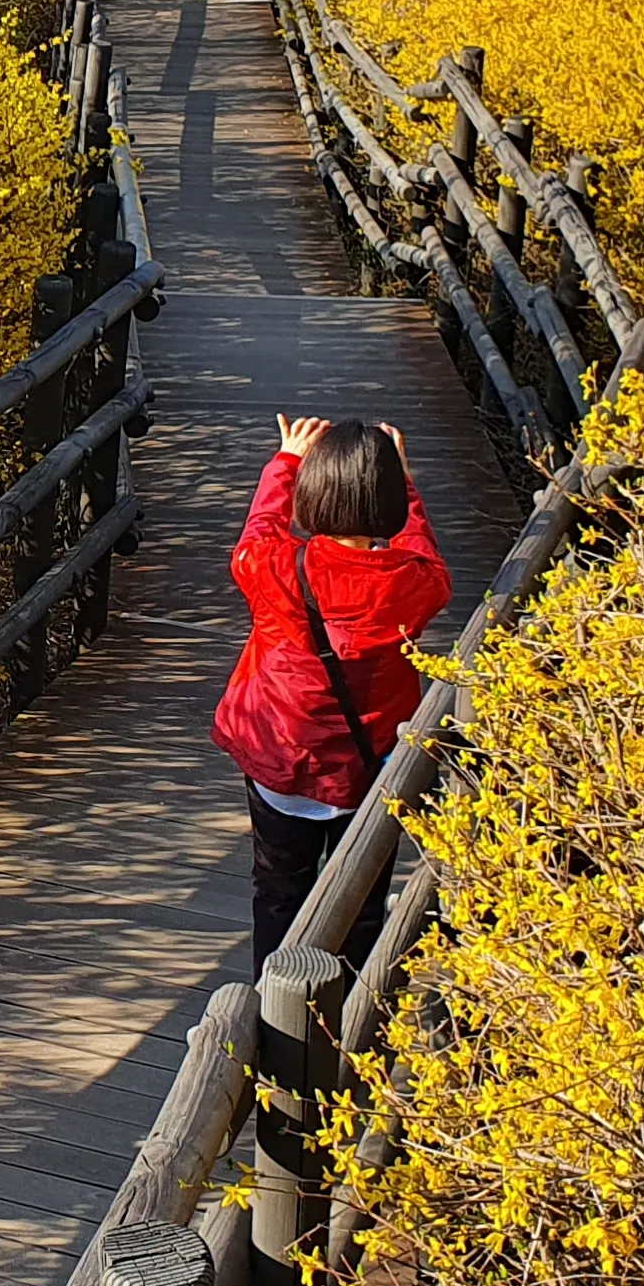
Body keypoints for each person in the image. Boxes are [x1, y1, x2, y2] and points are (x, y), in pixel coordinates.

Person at [211, 414, 451, 977]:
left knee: (277, 892)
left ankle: (272, 1011)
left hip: (280, 760)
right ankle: (350, 1014)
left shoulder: (272, 568)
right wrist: (407, 490)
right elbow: (431, 564)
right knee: (360, 902)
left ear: (312, 494)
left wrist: (285, 463)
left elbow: (256, 535)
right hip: (369, 770)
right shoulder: (411, 583)